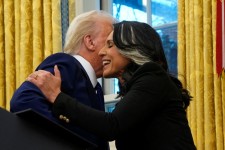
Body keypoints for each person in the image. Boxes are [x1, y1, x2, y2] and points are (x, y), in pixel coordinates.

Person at [27, 21, 196, 150]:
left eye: (110, 45)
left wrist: (56, 97)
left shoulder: (153, 76)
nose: (101, 52)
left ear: (131, 48)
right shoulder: (139, 88)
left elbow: (111, 125)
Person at [10, 10, 117, 150]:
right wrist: (76, 140)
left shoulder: (96, 88)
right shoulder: (66, 63)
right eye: (109, 42)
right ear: (90, 42)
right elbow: (24, 101)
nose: (116, 49)